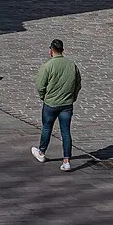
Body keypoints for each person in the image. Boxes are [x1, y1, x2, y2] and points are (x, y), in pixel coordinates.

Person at [31, 38, 81, 172]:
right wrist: (72, 97)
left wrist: (44, 97)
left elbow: (40, 85)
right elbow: (78, 84)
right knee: (66, 132)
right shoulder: (72, 65)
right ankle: (66, 160)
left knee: (47, 127)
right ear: (62, 50)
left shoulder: (48, 66)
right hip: (67, 104)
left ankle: (41, 152)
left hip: (51, 104)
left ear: (51, 51)